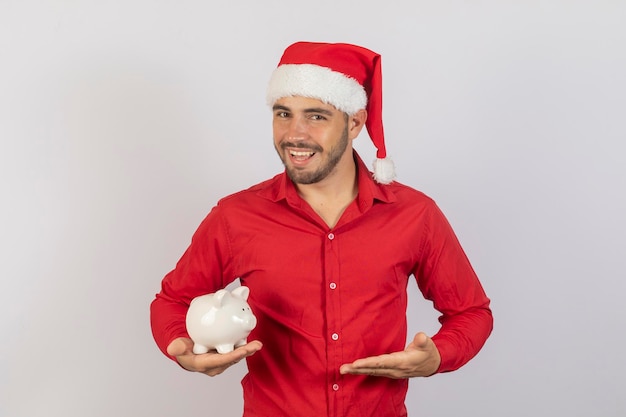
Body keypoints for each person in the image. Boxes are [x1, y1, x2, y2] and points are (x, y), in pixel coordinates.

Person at [150, 41, 493, 417]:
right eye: (284, 113)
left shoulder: (414, 214)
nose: (294, 134)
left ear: (356, 122)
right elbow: (172, 301)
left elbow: (472, 312)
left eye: (316, 116)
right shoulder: (236, 215)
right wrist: (182, 349)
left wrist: (438, 356)